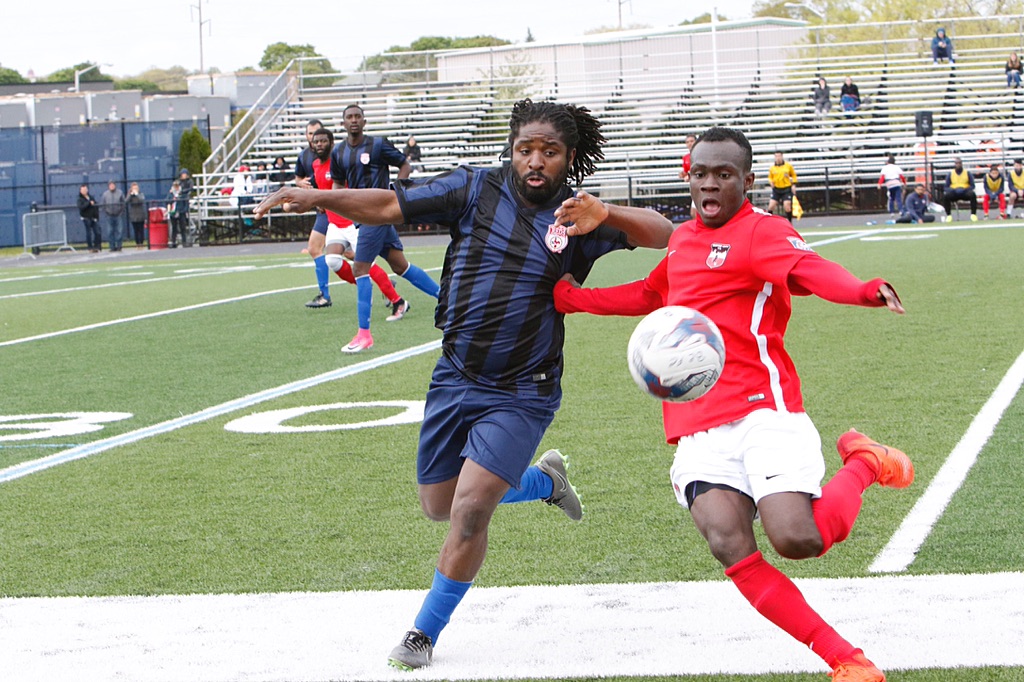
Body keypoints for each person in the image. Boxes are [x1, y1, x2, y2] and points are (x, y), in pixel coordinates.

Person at [253, 98, 674, 670]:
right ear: (511, 148)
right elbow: (387, 203)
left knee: (471, 510)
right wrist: (319, 197)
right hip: (456, 374)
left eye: (549, 152)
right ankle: (543, 483)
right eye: (525, 148)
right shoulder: (474, 189)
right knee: (440, 504)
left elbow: (666, 234)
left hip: (526, 386)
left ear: (568, 157)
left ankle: (423, 633)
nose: (535, 161)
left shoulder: (582, 217)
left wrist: (611, 214)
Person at [552, 126, 912, 682]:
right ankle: (845, 659)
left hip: (763, 413)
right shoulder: (683, 242)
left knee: (798, 539)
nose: (711, 184)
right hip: (697, 427)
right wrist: (574, 300)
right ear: (687, 176)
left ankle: (864, 462)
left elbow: (812, 272)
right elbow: (652, 295)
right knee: (727, 541)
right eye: (702, 173)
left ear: (747, 179)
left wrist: (863, 289)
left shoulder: (761, 233)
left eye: (724, 174)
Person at [329, 103, 440, 353]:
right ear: (343, 123)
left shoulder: (378, 145)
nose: (354, 120)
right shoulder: (339, 152)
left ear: (364, 121)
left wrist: (395, 193)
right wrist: (341, 203)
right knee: (400, 266)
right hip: (362, 215)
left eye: (358, 116)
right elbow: (337, 184)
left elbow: (404, 164)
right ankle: (446, 299)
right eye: (349, 117)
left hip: (375, 214)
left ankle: (364, 335)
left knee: (360, 269)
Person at [309, 127, 410, 320]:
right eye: (316, 141)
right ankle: (374, 284)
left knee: (365, 263)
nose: (319, 144)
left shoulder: (341, 159)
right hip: (334, 221)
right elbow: (323, 189)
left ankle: (397, 301)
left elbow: (349, 188)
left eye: (323, 141)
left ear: (331, 143)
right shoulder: (315, 165)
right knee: (332, 260)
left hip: (351, 220)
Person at [295, 119, 334, 309]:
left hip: (335, 209)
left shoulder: (334, 156)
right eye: (310, 134)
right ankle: (324, 294)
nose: (314, 138)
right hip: (322, 210)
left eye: (318, 134)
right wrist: (301, 184)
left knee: (353, 254)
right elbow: (299, 178)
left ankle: (385, 285)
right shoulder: (304, 156)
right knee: (315, 248)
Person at [941, 157, 978, 221]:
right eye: (956, 163)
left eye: (959, 163)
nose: (958, 165)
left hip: (964, 192)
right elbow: (946, 187)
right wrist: (952, 190)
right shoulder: (950, 174)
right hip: (954, 192)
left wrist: (965, 189)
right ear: (954, 164)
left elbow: (972, 186)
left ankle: (973, 214)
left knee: (972, 195)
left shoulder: (967, 173)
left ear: (962, 164)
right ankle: (949, 215)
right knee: (946, 196)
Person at [767, 151, 797, 222]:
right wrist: (771, 182)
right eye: (776, 156)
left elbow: (794, 175)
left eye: (779, 156)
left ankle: (790, 222)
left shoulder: (788, 166)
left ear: (782, 156)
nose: (778, 158)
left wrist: (793, 184)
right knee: (771, 206)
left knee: (787, 206)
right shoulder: (772, 168)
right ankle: (768, 222)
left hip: (786, 189)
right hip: (776, 189)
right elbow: (770, 177)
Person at [99, 180, 125, 252]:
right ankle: (112, 247)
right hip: (109, 215)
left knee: (119, 231)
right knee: (110, 231)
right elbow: (103, 204)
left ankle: (119, 246)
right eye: (110, 185)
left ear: (115, 185)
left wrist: (121, 212)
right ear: (108, 186)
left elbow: (123, 203)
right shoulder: (105, 194)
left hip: (118, 215)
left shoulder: (120, 193)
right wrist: (106, 212)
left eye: (113, 185)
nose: (112, 186)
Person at [678, 133, 698, 219]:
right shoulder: (686, 157)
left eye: (691, 141)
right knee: (694, 213)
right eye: (687, 142)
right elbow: (686, 172)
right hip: (693, 187)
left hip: (700, 186)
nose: (689, 143)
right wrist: (683, 175)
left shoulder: (700, 155)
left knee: (694, 212)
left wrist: (689, 177)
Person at [77, 184, 101, 253]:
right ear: (80, 190)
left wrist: (96, 216)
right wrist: (89, 203)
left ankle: (97, 246)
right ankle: (90, 247)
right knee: (89, 233)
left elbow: (96, 205)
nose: (84, 191)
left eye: (85, 189)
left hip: (93, 217)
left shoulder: (91, 197)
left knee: (97, 232)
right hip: (86, 218)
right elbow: (81, 207)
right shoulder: (80, 199)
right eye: (83, 190)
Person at [126, 182, 147, 248]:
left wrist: (137, 194)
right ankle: (137, 243)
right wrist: (130, 195)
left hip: (140, 214)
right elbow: (126, 201)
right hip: (133, 215)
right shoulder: (130, 195)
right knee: (135, 230)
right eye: (133, 188)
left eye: (136, 188)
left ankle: (141, 242)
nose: (135, 189)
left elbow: (142, 200)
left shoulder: (141, 194)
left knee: (141, 230)